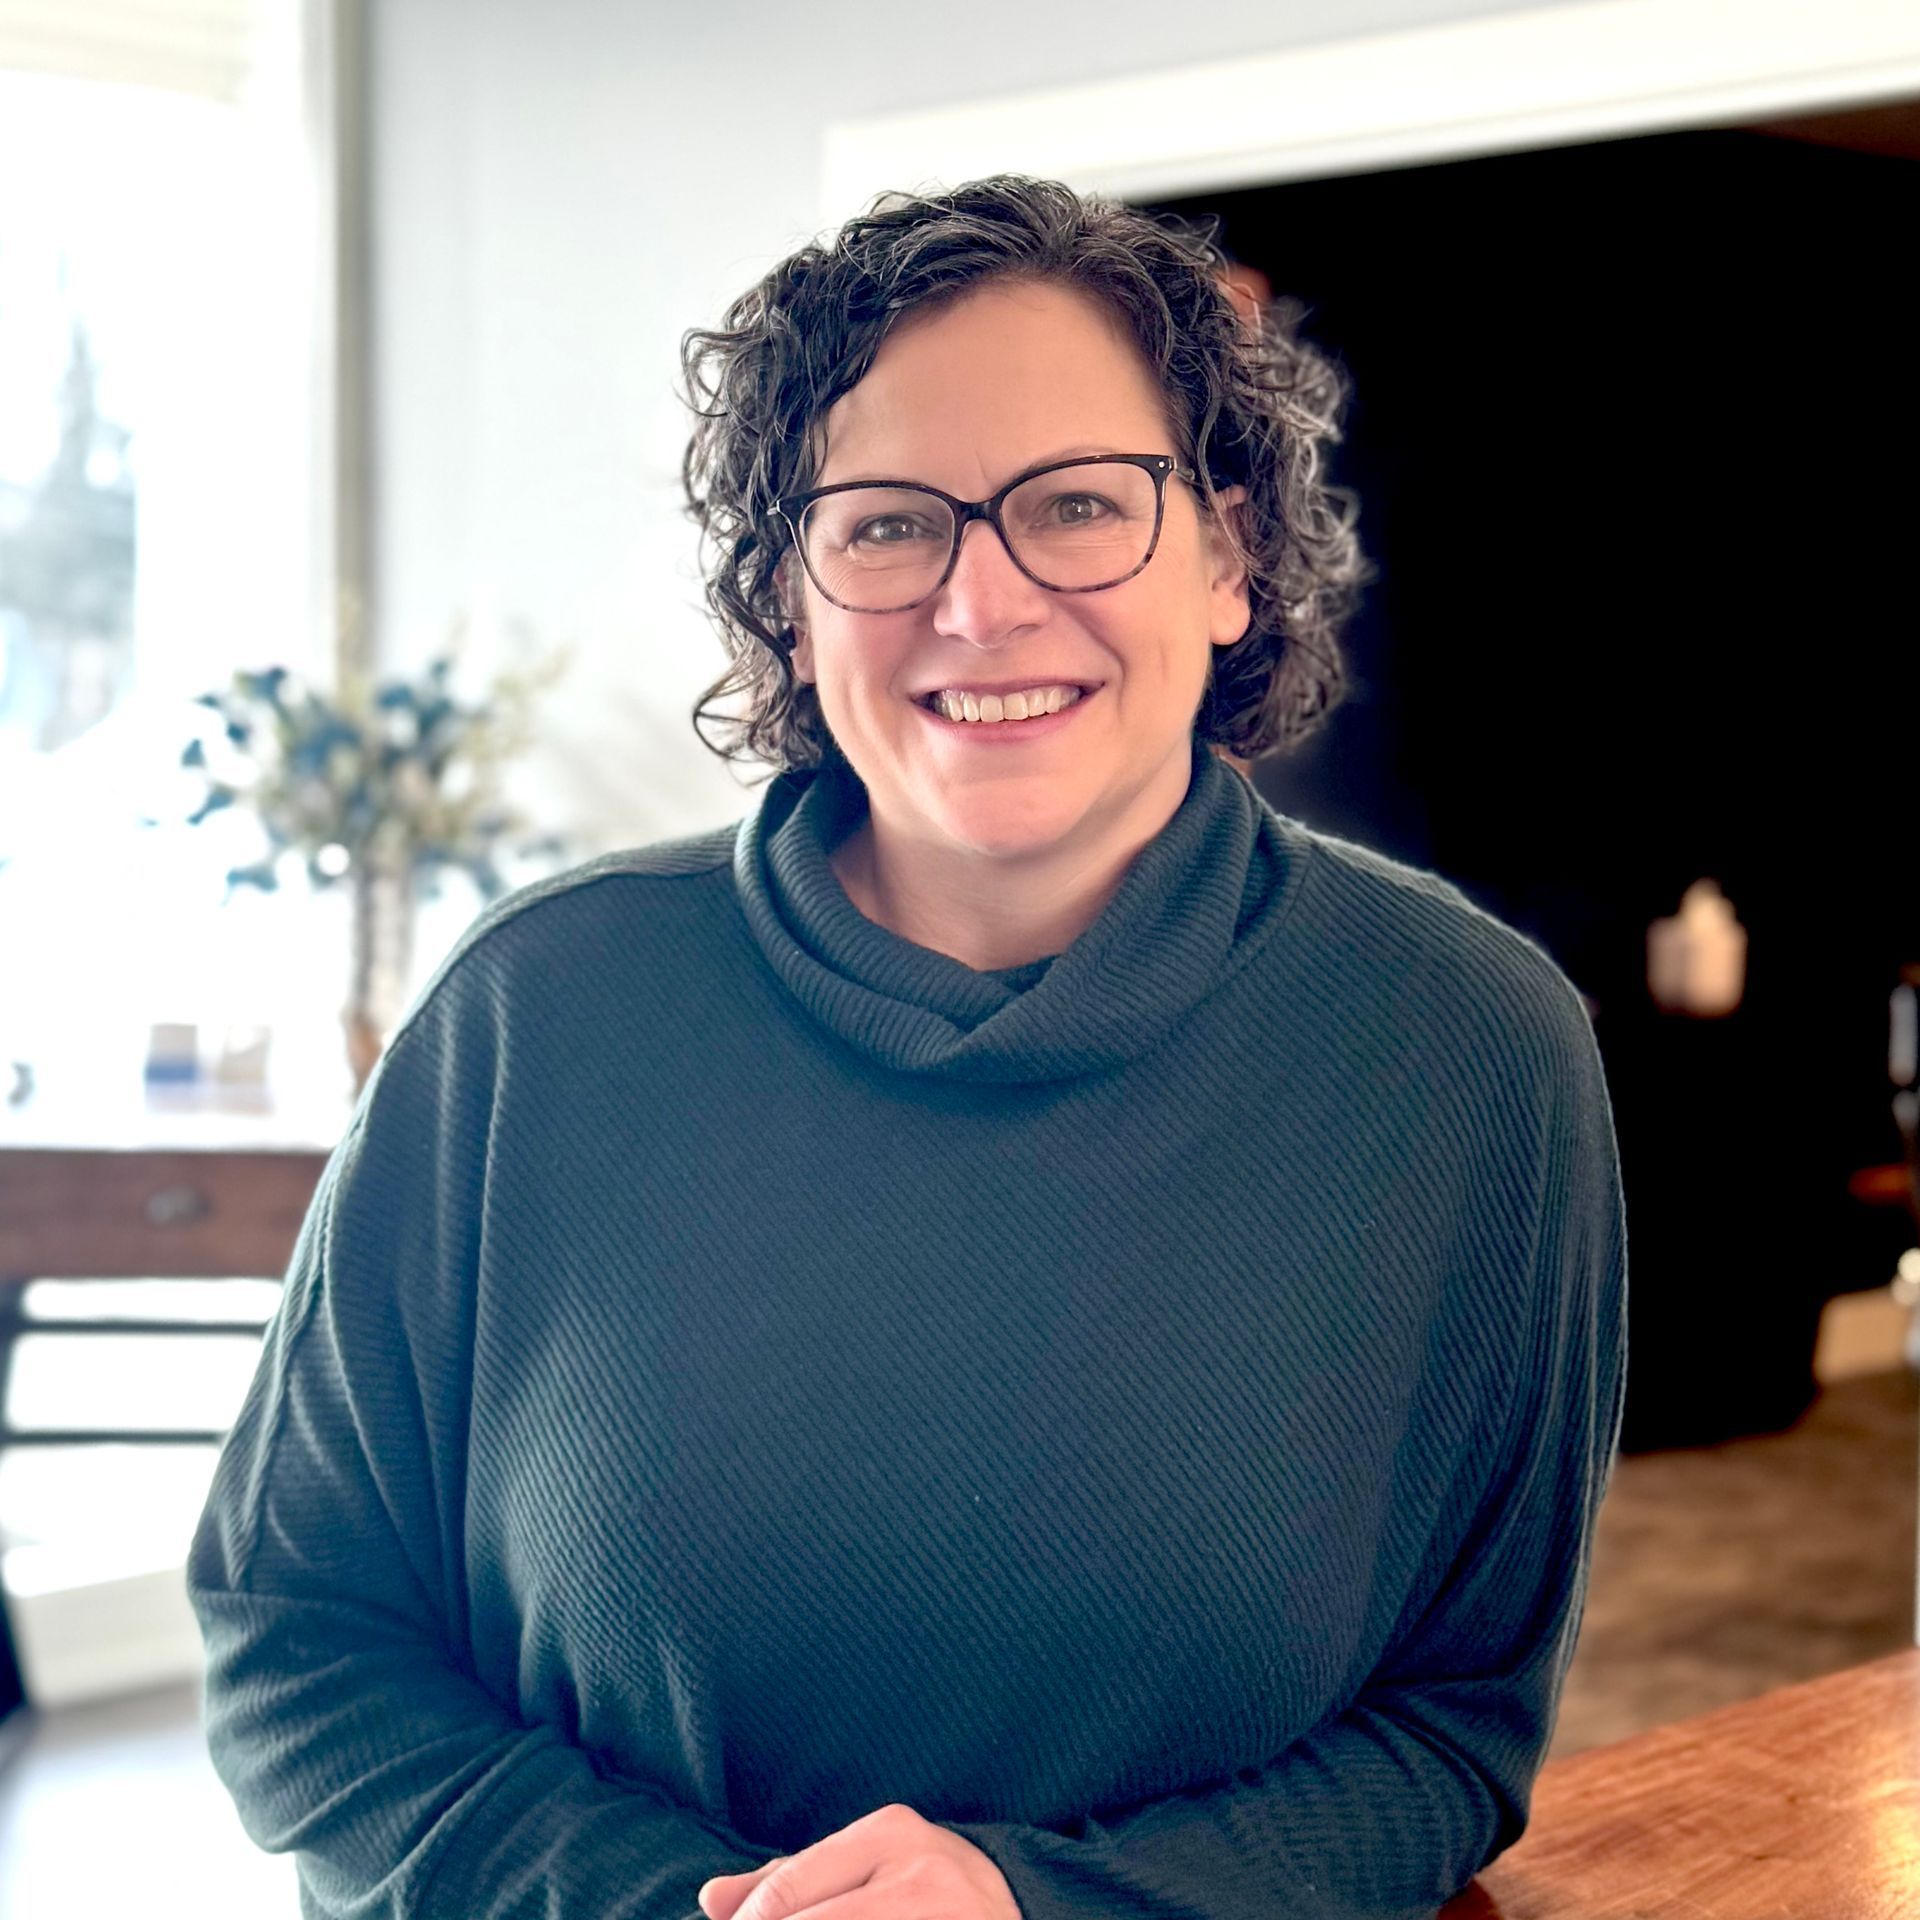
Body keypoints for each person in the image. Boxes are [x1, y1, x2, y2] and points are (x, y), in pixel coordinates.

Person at [189, 175, 1626, 1920]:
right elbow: (300, 1639)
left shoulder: (1471, 1055)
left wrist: (1035, 1910)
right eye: (886, 526)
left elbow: (1452, 1730)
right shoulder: (532, 1015)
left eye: (1080, 505)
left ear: (1233, 557)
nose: (984, 601)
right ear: (790, 593)